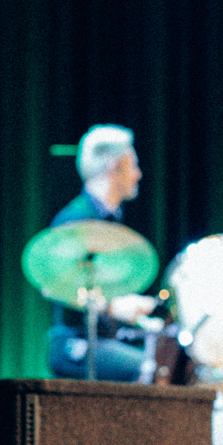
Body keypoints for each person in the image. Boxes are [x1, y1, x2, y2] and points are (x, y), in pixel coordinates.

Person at [47, 124, 156, 381]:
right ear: (114, 167)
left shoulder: (110, 222)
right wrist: (115, 307)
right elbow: (57, 287)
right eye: (133, 165)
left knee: (167, 360)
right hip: (75, 343)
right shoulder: (75, 220)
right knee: (153, 371)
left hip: (105, 340)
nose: (138, 174)